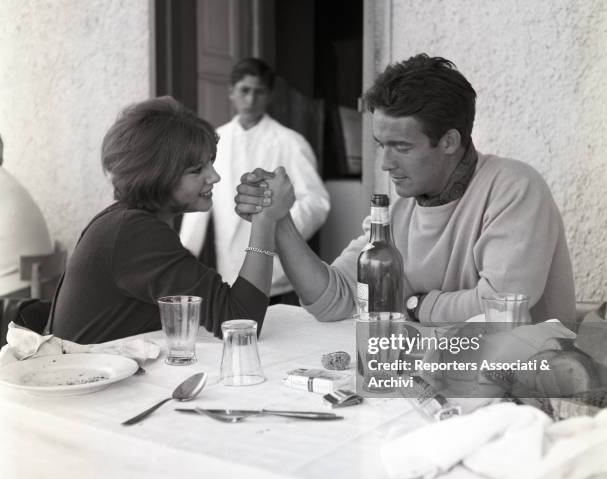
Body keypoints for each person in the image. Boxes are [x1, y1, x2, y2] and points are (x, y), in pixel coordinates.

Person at [234, 54, 576, 325]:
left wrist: (416, 304)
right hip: (437, 383)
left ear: (449, 141)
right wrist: (279, 220)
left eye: (402, 147)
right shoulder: (400, 210)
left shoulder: (514, 188)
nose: (385, 164)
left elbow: (502, 305)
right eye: (381, 145)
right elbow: (334, 299)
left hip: (521, 391)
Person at [50, 96, 294, 344]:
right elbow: (240, 323)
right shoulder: (135, 233)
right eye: (196, 170)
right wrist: (266, 219)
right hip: (85, 379)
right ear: (156, 176)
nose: (215, 176)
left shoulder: (129, 221)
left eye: (211, 162)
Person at [179, 57, 330, 304]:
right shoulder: (216, 138)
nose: (250, 100)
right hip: (228, 267)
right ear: (231, 92)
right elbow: (201, 191)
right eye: (244, 90)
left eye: (258, 92)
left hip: (278, 276)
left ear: (269, 95)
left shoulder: (290, 142)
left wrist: (277, 228)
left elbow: (316, 201)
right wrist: (186, 249)